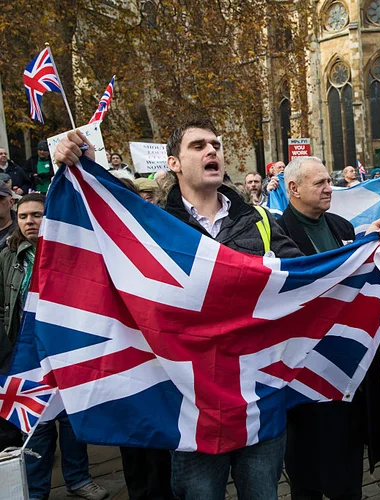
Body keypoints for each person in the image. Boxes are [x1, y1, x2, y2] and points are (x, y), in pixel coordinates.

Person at [54, 118, 302, 500]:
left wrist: (370, 256)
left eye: (215, 144)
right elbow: (101, 253)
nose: (212, 151)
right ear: (173, 163)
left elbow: (306, 281)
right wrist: (77, 167)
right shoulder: (155, 228)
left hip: (258, 397)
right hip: (192, 404)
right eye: (198, 145)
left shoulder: (263, 221)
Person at [274, 155, 380, 500]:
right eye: (321, 183)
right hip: (306, 367)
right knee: (308, 461)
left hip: (348, 362)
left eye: (330, 181)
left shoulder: (341, 226)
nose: (330, 188)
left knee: (347, 457)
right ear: (293, 189)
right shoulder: (280, 233)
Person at [0, 194, 109, 500]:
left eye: (36, 215)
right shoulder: (9, 255)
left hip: (66, 346)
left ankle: (77, 478)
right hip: (26, 351)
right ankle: (36, 490)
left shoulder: (69, 250)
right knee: (35, 422)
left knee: (72, 417)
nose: (29, 222)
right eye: (23, 217)